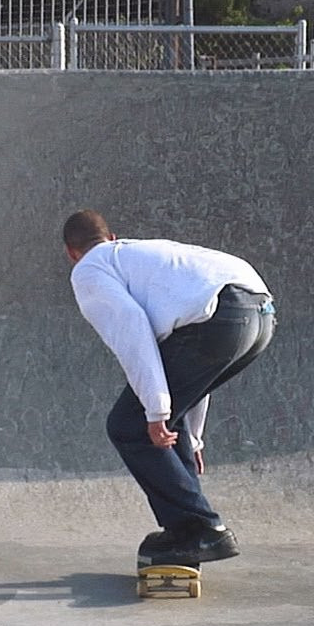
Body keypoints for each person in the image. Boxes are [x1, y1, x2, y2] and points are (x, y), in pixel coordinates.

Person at [62, 209, 276, 566]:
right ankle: (186, 533)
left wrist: (156, 411)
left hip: (221, 317)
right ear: (112, 237)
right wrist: (191, 438)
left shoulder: (89, 269)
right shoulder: (143, 259)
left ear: (71, 252)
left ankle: (201, 529)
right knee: (166, 426)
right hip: (259, 314)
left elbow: (131, 328)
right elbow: (190, 374)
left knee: (129, 425)